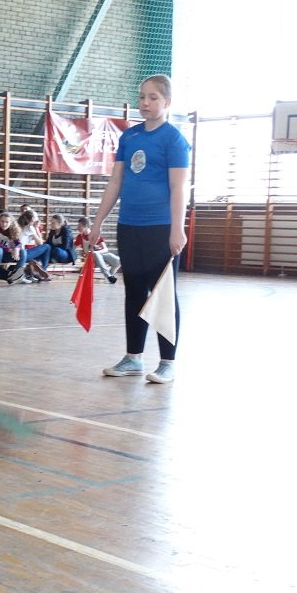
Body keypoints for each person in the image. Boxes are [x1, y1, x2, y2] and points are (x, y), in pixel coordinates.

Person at [89, 74, 190, 384]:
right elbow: (116, 182)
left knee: (163, 294)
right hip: (129, 226)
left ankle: (167, 362)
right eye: (142, 96)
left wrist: (177, 229)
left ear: (167, 102)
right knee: (134, 291)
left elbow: (178, 187)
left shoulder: (174, 140)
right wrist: (98, 221)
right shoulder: (129, 137)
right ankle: (133, 357)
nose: (145, 103)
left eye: (153, 98)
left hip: (160, 227)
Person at [75, 216, 120, 283]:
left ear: (86, 226)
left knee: (117, 261)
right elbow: (73, 247)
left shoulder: (95, 235)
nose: (77, 228)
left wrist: (98, 252)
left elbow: (105, 249)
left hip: (100, 255)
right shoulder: (80, 237)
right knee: (95, 253)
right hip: (90, 259)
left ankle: (110, 276)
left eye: (79, 226)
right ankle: (108, 276)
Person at [16, 210, 52, 281]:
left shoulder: (20, 225)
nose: (38, 219)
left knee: (40, 251)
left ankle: (34, 269)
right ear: (32, 219)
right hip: (22, 254)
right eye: (36, 217)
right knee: (47, 247)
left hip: (17, 252)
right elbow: (40, 243)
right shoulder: (30, 227)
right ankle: (43, 271)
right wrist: (36, 227)